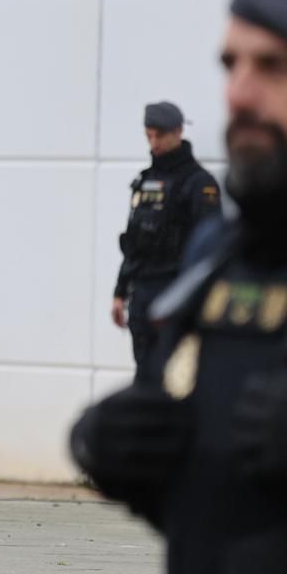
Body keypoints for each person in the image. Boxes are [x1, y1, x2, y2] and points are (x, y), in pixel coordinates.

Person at [71, 0, 287, 573]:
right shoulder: (223, 255)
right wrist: (132, 462)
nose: (241, 94)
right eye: (232, 65)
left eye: (275, 67)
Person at [112, 101, 222, 381]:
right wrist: (120, 291)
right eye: (149, 136)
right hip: (143, 294)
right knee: (144, 376)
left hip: (175, 293)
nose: (154, 143)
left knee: (174, 379)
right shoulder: (146, 181)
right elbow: (134, 241)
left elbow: (210, 248)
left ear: (178, 131)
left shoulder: (199, 183)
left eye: (160, 135)